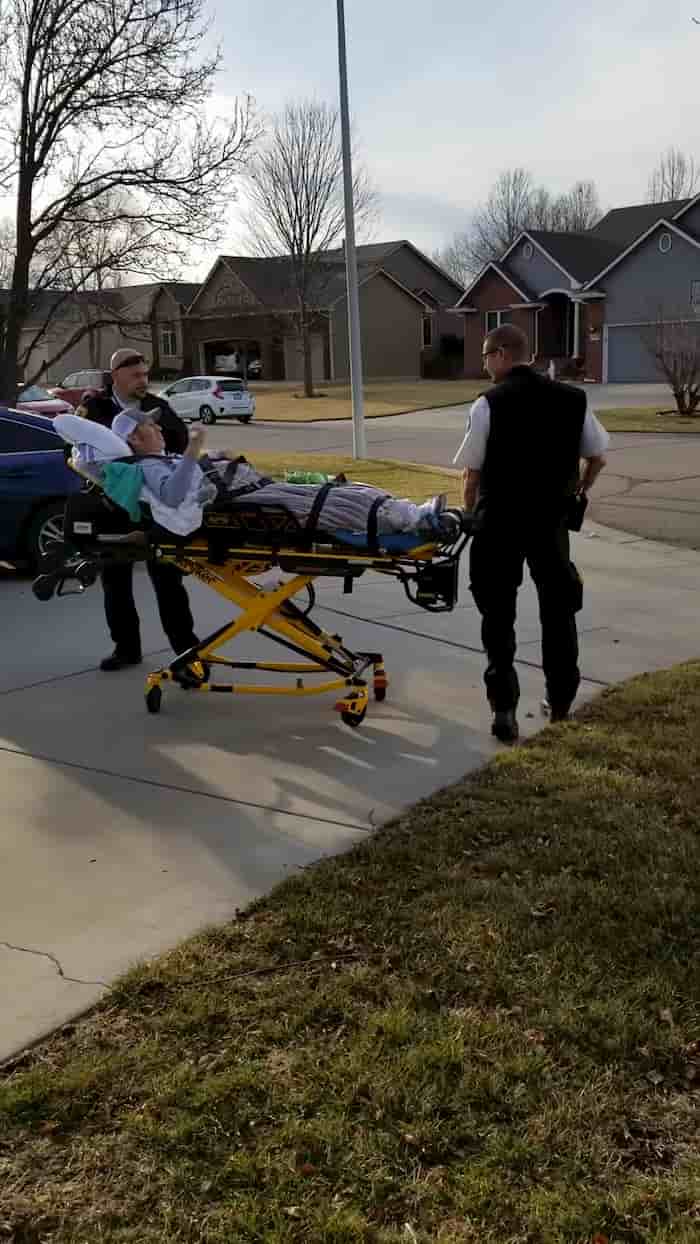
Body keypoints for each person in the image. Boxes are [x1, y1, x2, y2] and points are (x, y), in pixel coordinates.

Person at [454, 323, 609, 744]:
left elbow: (472, 474)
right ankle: (559, 705)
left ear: (502, 354)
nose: (486, 365)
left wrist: (469, 514)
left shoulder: (488, 403)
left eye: (486, 356)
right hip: (550, 524)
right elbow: (598, 457)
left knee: (498, 615)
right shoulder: (572, 399)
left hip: (498, 524)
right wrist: (580, 488)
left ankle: (504, 711)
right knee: (558, 612)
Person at [105, 410, 459, 541]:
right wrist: (195, 450)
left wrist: (212, 456)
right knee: (331, 504)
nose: (159, 428)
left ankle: (410, 512)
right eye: (150, 425)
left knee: (342, 490)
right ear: (134, 438)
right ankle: (413, 520)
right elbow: (171, 496)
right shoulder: (147, 466)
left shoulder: (163, 458)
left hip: (252, 487)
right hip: (242, 501)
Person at [81, 349, 198, 670]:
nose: (143, 381)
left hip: (155, 508)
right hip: (113, 505)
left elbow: (179, 445)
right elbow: (74, 449)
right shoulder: (95, 408)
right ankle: (126, 648)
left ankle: (187, 655)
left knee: (169, 583)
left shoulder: (159, 408)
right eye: (135, 376)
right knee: (115, 582)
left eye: (145, 375)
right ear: (115, 376)